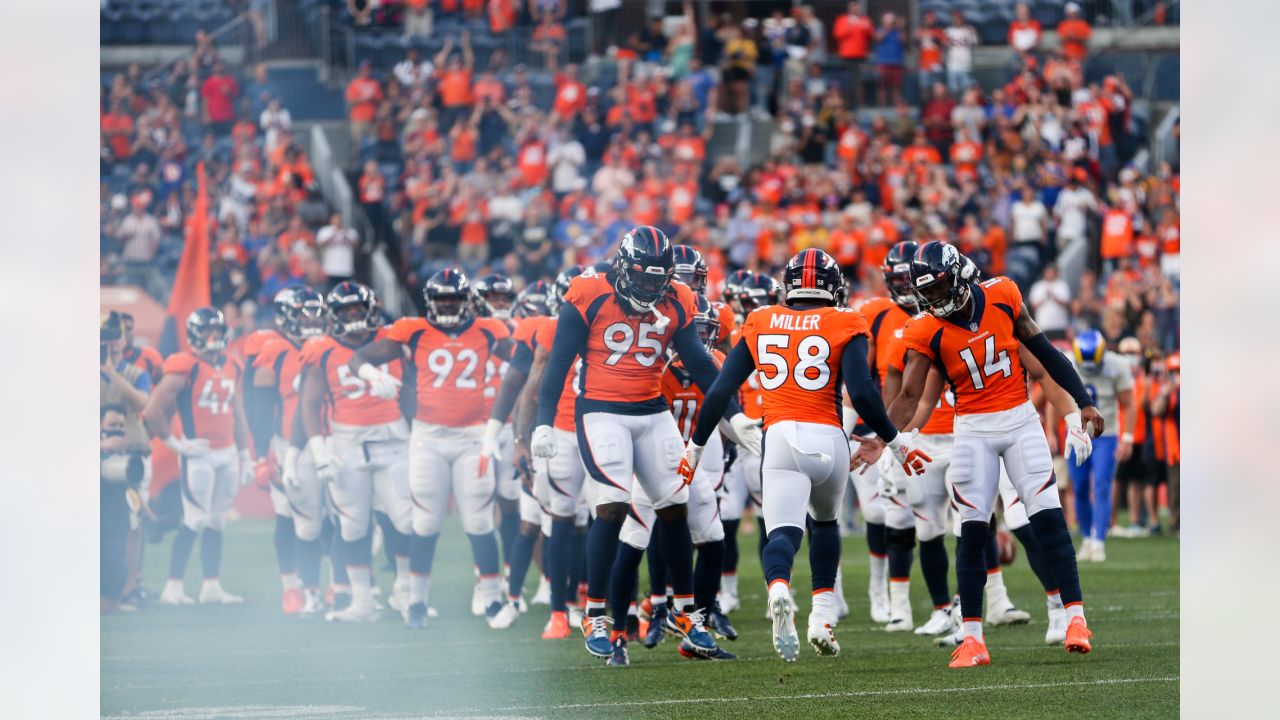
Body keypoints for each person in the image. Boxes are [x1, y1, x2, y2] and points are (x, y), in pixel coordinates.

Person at [681, 248, 928, 662]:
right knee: (826, 524)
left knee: (782, 534)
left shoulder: (760, 320)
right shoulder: (847, 320)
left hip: (778, 438)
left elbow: (720, 390)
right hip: (828, 438)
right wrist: (896, 442)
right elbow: (864, 393)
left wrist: (696, 445)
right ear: (832, 287)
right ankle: (821, 616)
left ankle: (779, 586)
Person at [532, 226, 762, 666]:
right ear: (622, 268)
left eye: (659, 280)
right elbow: (559, 362)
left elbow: (698, 360)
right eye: (644, 279)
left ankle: (688, 613)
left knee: (675, 504)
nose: (651, 288)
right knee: (614, 501)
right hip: (600, 410)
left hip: (651, 410)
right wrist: (544, 423)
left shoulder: (677, 298)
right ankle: (594, 614)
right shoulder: (588, 292)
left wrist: (733, 414)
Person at [877, 241, 1103, 668]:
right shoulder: (926, 328)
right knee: (972, 530)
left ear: (961, 274)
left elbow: (1046, 355)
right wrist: (886, 438)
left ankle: (1075, 618)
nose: (938, 300)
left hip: (1019, 421)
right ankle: (972, 638)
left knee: (1048, 517)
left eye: (943, 288)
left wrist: (1081, 401)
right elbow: (910, 395)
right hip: (973, 429)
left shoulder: (1003, 294)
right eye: (932, 294)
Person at [349, 269, 513, 629]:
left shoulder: (490, 330)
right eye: (442, 301)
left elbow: (521, 364)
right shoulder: (413, 329)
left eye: (453, 300)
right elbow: (358, 358)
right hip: (428, 438)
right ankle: (417, 602)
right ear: (430, 302)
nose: (448, 306)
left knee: (480, 521)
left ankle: (491, 600)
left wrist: (497, 424)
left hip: (473, 437)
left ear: (466, 300)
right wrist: (373, 376)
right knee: (425, 522)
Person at [298, 282, 415, 622]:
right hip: (346, 444)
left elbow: (410, 393)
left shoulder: (393, 341)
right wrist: (318, 450)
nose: (353, 315)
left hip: (393, 441)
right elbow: (309, 405)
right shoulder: (321, 349)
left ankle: (407, 592)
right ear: (334, 316)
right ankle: (362, 601)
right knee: (352, 527)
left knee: (406, 520)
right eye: (346, 310)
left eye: (357, 308)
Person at [144, 308, 253, 606]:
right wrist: (176, 445)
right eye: (208, 333)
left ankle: (211, 587)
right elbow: (153, 410)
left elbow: (237, 412)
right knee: (195, 520)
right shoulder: (185, 366)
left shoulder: (233, 364)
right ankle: (173, 586)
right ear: (195, 336)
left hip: (227, 452)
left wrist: (245, 455)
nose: (214, 338)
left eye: (218, 332)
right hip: (199, 454)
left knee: (217, 520)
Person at [249, 287, 328, 615]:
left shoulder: (327, 345)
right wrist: (261, 452)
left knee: (333, 516)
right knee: (288, 517)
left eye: (314, 313)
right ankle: (292, 587)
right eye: (302, 313)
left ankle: (336, 583)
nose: (310, 320)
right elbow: (257, 405)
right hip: (286, 444)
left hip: (328, 439)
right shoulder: (274, 351)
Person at [1054, 329, 1135, 563]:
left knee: (1101, 485)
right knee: (1078, 487)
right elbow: (1052, 397)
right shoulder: (1067, 361)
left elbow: (1129, 402)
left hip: (1106, 434)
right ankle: (1087, 538)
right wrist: (1050, 429)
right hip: (1077, 432)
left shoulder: (1117, 365)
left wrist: (1128, 436)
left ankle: (1099, 541)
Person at [832, 2, 875, 106]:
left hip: (860, 56)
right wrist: (851, 26)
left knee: (859, 80)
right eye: (854, 7)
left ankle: (860, 103)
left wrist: (864, 26)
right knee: (847, 80)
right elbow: (838, 34)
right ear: (849, 8)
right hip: (847, 55)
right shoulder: (842, 19)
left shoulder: (865, 19)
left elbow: (871, 34)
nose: (856, 9)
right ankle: (847, 103)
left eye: (858, 7)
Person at [1028, 265, 1072, 340]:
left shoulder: (1062, 285)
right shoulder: (1037, 286)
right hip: (1043, 326)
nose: (1050, 274)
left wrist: (1054, 295)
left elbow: (1066, 304)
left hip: (1060, 326)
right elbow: (1033, 306)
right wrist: (1044, 296)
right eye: (1048, 272)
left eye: (1052, 272)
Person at [316, 213, 359, 286]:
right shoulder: (325, 231)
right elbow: (320, 244)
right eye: (336, 220)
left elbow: (356, 244)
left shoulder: (350, 232)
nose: (338, 222)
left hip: (346, 269)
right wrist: (334, 233)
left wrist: (345, 233)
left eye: (339, 220)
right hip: (330, 270)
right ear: (331, 220)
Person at [944, 10, 978, 95]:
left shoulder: (968, 31)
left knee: (967, 90)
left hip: (965, 65)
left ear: (962, 19)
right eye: (955, 18)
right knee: (952, 90)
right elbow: (944, 47)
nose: (957, 20)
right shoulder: (947, 31)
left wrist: (974, 33)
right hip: (952, 64)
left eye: (959, 18)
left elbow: (976, 43)